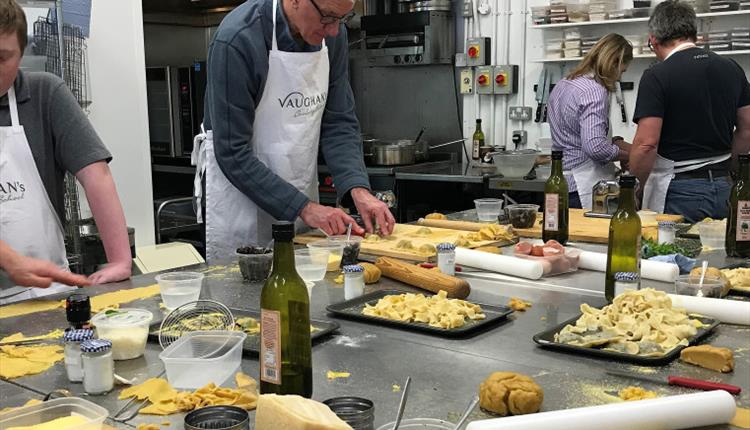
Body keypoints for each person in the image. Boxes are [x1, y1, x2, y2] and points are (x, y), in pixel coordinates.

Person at [196, 0, 394, 263]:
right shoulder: (238, 39)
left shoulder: (331, 39)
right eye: (327, 17)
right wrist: (304, 207)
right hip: (239, 201)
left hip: (298, 190)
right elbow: (232, 152)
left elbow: (339, 122)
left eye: (342, 19)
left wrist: (358, 189)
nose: (334, 30)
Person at [0, 0, 132, 303]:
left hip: (44, 293)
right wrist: (9, 259)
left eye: (2, 57)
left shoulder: (46, 95)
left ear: (21, 54)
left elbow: (96, 175)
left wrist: (120, 260)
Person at [629, 0, 750, 223]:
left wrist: (633, 188)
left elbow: (646, 144)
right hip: (725, 189)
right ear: (693, 33)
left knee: (676, 255)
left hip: (681, 192)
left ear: (654, 40)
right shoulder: (732, 68)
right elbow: (747, 130)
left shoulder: (656, 76)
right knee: (723, 256)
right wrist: (728, 171)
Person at [546, 34, 633, 209]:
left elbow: (576, 134)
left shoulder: (564, 84)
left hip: (561, 183)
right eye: (622, 71)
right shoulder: (594, 91)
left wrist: (614, 142)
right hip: (583, 186)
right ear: (613, 62)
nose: (618, 78)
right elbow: (595, 147)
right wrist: (631, 155)